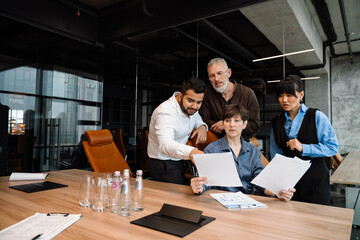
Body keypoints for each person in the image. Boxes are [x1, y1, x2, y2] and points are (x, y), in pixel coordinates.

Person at [191, 104, 295, 201]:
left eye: (237, 121)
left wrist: (278, 193)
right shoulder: (211, 150)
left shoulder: (253, 151)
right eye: (227, 121)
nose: (232, 125)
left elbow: (259, 180)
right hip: (219, 202)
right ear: (223, 123)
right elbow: (204, 180)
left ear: (244, 124)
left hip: (247, 201)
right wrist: (198, 186)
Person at [270, 75, 338, 205]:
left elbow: (332, 147)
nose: (284, 100)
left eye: (289, 95)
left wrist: (304, 148)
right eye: (280, 95)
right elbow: (275, 155)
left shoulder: (316, 116)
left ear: (301, 95)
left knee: (316, 221)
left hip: (316, 183)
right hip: (289, 185)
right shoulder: (276, 122)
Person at [147, 77, 208, 185]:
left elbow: (197, 118)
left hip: (178, 159)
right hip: (162, 163)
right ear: (180, 96)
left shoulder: (191, 109)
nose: (194, 106)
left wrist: (202, 127)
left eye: (199, 102)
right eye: (190, 101)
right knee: (175, 199)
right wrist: (191, 152)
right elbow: (165, 145)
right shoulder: (165, 112)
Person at [199, 57, 260, 141]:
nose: (216, 79)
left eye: (219, 73)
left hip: (242, 142)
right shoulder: (207, 93)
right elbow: (204, 119)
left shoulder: (248, 94)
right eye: (212, 75)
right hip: (216, 142)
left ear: (229, 73)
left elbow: (254, 125)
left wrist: (226, 125)